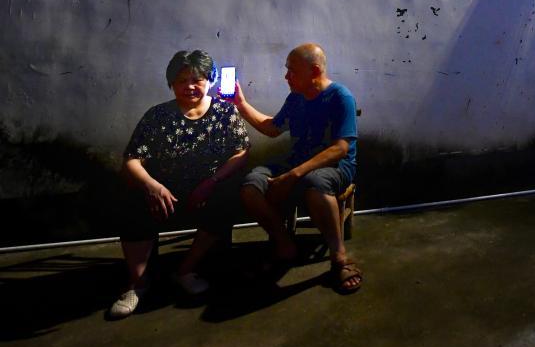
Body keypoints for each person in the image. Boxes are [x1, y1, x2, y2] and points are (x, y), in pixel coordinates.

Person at [109, 50, 250, 319]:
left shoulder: (224, 112)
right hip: (165, 192)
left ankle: (185, 270)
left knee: (230, 196)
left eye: (197, 80)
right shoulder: (158, 115)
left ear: (210, 80)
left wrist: (212, 181)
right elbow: (132, 159)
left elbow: (241, 151)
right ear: (171, 83)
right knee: (129, 198)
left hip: (206, 190)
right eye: (182, 80)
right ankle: (137, 283)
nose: (190, 86)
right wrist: (152, 185)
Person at [235, 43, 362, 293]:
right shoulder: (296, 99)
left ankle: (339, 258)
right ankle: (285, 245)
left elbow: (340, 149)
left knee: (314, 183)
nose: (286, 76)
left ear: (314, 71)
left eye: (292, 71)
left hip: (334, 166)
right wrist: (240, 104)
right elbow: (272, 128)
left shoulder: (340, 97)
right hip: (296, 161)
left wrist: (293, 175)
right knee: (251, 186)